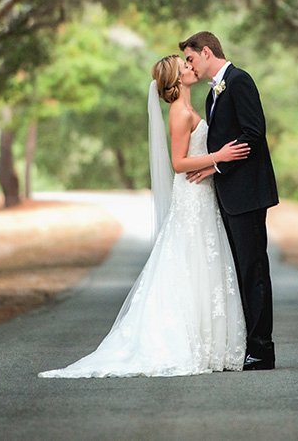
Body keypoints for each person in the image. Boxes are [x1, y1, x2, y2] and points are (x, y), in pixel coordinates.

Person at [38, 55, 249, 378]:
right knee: (189, 264)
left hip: (203, 194)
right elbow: (178, 163)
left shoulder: (194, 108)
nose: (191, 68)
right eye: (185, 66)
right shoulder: (179, 113)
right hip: (191, 195)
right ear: (177, 81)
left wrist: (213, 164)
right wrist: (218, 157)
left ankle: (210, 345)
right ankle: (186, 342)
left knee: (202, 264)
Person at [180, 32, 278, 371]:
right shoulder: (212, 94)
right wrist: (212, 166)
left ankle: (262, 350)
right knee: (240, 271)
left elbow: (253, 133)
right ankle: (248, 344)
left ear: (207, 52)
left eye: (191, 59)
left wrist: (216, 164)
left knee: (254, 270)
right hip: (228, 194)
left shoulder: (239, 82)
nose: (189, 66)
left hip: (248, 193)